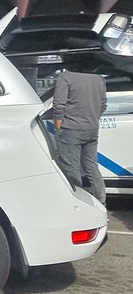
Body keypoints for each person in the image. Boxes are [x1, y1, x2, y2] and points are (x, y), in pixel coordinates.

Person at [52, 68, 107, 204]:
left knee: (71, 168)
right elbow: (103, 105)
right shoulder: (99, 78)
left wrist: (57, 125)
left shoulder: (65, 77)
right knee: (91, 166)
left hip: (70, 128)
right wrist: (92, 119)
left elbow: (59, 105)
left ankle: (78, 203)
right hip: (92, 128)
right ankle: (101, 200)